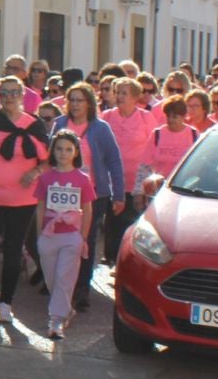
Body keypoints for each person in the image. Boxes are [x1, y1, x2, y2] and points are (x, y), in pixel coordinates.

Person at [0, 77, 50, 324]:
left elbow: (50, 159)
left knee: (14, 250)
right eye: (4, 93)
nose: (9, 97)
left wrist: (35, 172)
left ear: (23, 96)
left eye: (15, 92)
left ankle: (6, 301)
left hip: (22, 199)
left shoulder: (35, 125)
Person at [49, 82, 123, 313]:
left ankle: (82, 288)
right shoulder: (60, 124)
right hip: (62, 192)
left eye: (80, 100)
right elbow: (50, 156)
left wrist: (118, 194)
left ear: (90, 103)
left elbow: (114, 161)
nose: (75, 104)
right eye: (72, 100)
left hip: (91, 194)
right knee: (60, 238)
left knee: (85, 240)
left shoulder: (100, 129)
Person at [33, 132, 95, 341]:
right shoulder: (45, 177)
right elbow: (40, 207)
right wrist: (40, 235)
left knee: (64, 278)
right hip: (49, 235)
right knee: (52, 278)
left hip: (71, 236)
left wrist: (82, 237)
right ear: (53, 151)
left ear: (76, 152)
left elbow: (87, 210)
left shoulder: (82, 179)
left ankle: (56, 321)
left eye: (68, 149)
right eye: (59, 148)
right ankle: (65, 309)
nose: (63, 153)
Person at [100, 77, 156, 262]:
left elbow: (153, 147)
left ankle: (129, 261)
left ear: (135, 97)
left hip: (136, 182)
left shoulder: (145, 117)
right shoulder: (107, 117)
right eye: (117, 92)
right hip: (112, 180)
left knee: (132, 224)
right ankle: (113, 261)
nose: (120, 97)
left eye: (125, 93)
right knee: (112, 224)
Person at [144, 96, 200, 195]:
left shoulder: (193, 134)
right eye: (168, 116)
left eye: (174, 116)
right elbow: (145, 165)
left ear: (183, 116)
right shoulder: (157, 134)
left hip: (184, 189)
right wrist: (140, 192)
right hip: (159, 189)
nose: (170, 119)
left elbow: (199, 165)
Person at [0, 53, 43, 120]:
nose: (11, 71)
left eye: (15, 69)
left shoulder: (33, 97)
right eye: (8, 67)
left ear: (24, 73)